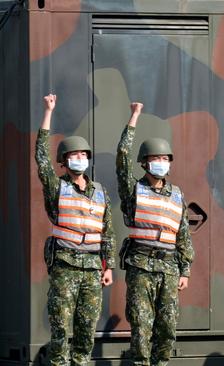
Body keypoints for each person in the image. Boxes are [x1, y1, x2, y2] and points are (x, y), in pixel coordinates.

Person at [36, 94, 115, 365]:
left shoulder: (100, 192)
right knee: (60, 328)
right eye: (74, 155)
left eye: (83, 154)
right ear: (64, 160)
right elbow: (41, 159)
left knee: (86, 330)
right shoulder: (57, 187)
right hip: (65, 266)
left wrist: (108, 267)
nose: (79, 159)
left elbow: (108, 232)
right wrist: (48, 112)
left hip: (93, 268)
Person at [116, 102, 194, 366]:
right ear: (144, 163)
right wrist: (134, 118)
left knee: (168, 328)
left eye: (164, 159)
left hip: (169, 268)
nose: (160, 163)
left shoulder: (177, 194)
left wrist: (185, 270)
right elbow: (122, 157)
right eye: (154, 159)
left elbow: (183, 234)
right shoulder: (133, 190)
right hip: (141, 266)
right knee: (141, 326)